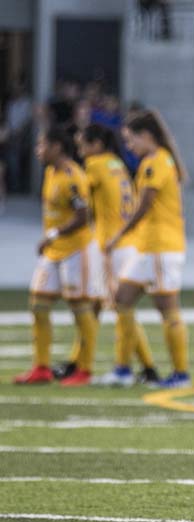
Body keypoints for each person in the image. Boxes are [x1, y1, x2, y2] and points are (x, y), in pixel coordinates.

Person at [69, 124, 159, 386]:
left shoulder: (95, 165)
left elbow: (76, 193)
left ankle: (130, 368)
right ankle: (79, 361)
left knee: (119, 307)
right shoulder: (116, 164)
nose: (81, 151)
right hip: (125, 242)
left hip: (110, 245)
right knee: (107, 306)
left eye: (82, 145)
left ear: (96, 144)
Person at [106, 109, 190, 389]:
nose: (129, 146)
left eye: (131, 140)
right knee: (122, 299)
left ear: (146, 136)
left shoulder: (158, 163)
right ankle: (123, 369)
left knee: (167, 308)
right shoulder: (151, 162)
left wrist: (118, 235)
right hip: (147, 247)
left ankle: (181, 374)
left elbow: (143, 207)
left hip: (160, 247)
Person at [13, 127, 101, 386]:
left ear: (56, 147)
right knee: (38, 304)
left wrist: (52, 234)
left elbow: (83, 216)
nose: (38, 151)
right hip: (54, 251)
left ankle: (84, 370)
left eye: (42, 146)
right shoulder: (51, 173)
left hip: (76, 250)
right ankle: (41, 368)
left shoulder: (73, 177)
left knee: (79, 307)